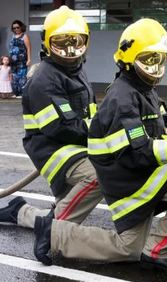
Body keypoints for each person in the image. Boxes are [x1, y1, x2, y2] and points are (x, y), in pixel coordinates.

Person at [33, 19, 167, 273]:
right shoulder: (122, 97)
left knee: (128, 249)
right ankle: (160, 251)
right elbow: (139, 151)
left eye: (160, 59)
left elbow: (153, 124)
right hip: (129, 181)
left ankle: (54, 234)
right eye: (149, 59)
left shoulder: (142, 87)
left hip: (135, 177)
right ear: (129, 57)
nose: (156, 66)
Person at [0, 6, 103, 229]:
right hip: (53, 149)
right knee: (100, 174)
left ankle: (21, 212)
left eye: (76, 41)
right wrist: (102, 135)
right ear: (47, 41)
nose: (70, 49)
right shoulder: (43, 80)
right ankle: (52, 229)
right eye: (62, 42)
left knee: (66, 205)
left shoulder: (76, 70)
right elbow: (62, 128)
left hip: (73, 145)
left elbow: (90, 113)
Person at [9, 20, 32, 98]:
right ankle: (16, 93)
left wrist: (29, 59)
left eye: (17, 27)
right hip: (13, 61)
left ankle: (22, 93)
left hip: (22, 61)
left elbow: (28, 48)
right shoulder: (13, 36)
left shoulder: (24, 36)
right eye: (14, 28)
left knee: (22, 77)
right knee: (14, 77)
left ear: (21, 27)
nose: (16, 29)